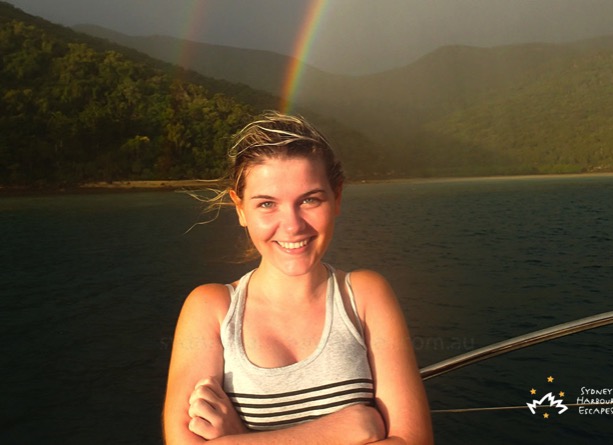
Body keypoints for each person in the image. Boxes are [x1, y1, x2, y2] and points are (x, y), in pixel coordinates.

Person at [163, 112, 434, 444]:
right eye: (266, 204)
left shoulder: (364, 296)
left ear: (337, 198)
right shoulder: (212, 309)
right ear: (240, 209)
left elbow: (415, 441)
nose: (292, 226)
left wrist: (236, 439)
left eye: (309, 200)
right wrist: (351, 427)